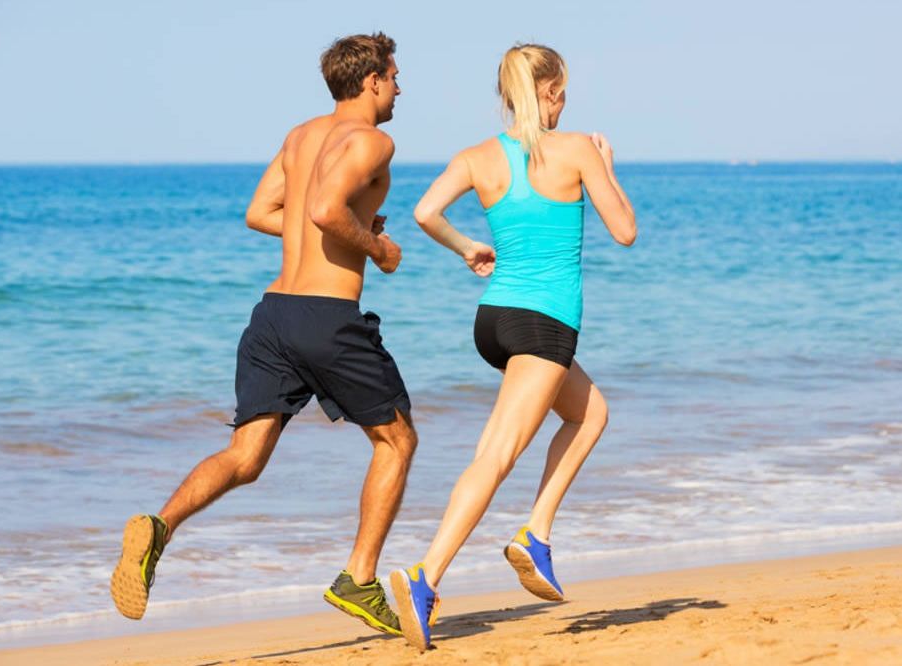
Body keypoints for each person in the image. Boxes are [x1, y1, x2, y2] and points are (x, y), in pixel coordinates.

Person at [109, 32, 415, 636]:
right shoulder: (375, 141)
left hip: (272, 316)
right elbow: (327, 210)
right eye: (395, 76)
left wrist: (350, 222)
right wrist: (377, 246)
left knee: (246, 457)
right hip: (328, 317)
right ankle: (359, 578)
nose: (400, 87)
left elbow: (262, 213)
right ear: (373, 79)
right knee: (397, 440)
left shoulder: (299, 136)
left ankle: (159, 528)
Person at [390, 43, 637, 651]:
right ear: (550, 93)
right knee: (495, 456)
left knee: (591, 413)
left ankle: (538, 533)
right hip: (543, 325)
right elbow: (626, 231)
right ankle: (425, 578)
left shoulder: (478, 156)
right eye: (561, 95)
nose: (563, 106)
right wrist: (607, 164)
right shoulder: (577, 148)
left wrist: (468, 246)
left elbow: (425, 212)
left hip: (495, 321)